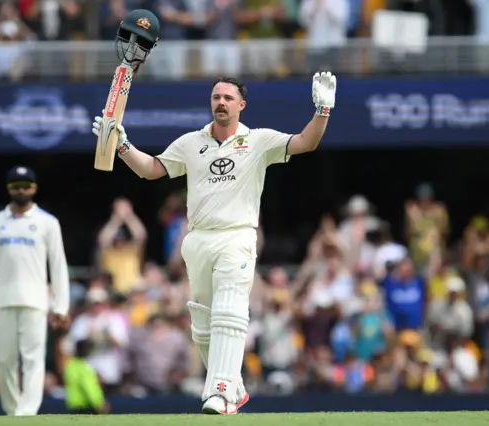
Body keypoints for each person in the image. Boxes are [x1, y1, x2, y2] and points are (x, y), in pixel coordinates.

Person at [92, 72, 337, 414]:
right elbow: (150, 170)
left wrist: (323, 111)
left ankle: (220, 392)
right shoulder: (191, 142)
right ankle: (234, 387)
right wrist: (121, 144)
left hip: (237, 236)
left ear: (241, 105)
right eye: (216, 97)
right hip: (198, 240)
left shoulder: (259, 141)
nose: (221, 102)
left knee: (229, 309)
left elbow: (305, 142)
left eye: (227, 98)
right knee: (203, 324)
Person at [0, 165, 70, 416]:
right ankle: (12, 410)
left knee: (33, 360)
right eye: (16, 186)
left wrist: (61, 305)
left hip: (36, 301)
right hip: (3, 301)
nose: (21, 191)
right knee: (4, 360)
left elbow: (58, 266)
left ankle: (26, 414)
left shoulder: (48, 223)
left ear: (34, 188)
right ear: (8, 189)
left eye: (25, 186)